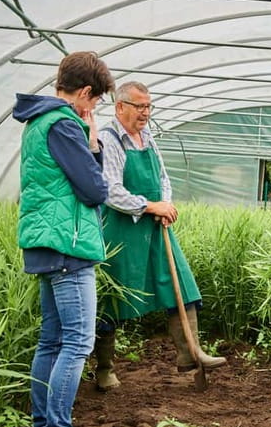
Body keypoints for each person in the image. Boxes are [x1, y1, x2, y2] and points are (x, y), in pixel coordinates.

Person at [14, 51, 114, 427]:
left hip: (45, 243)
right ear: (86, 92)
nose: (94, 110)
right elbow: (95, 190)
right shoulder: (64, 123)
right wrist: (93, 143)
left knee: (52, 341)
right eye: (96, 101)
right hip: (68, 246)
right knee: (77, 342)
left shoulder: (37, 122)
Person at [95, 81, 225, 391]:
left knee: (181, 282)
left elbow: (163, 178)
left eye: (148, 106)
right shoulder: (109, 138)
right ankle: (104, 369)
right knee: (112, 299)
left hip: (155, 226)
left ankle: (191, 354)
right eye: (139, 106)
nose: (145, 112)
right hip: (122, 230)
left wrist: (165, 205)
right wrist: (150, 206)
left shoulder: (148, 136)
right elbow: (110, 190)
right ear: (120, 106)